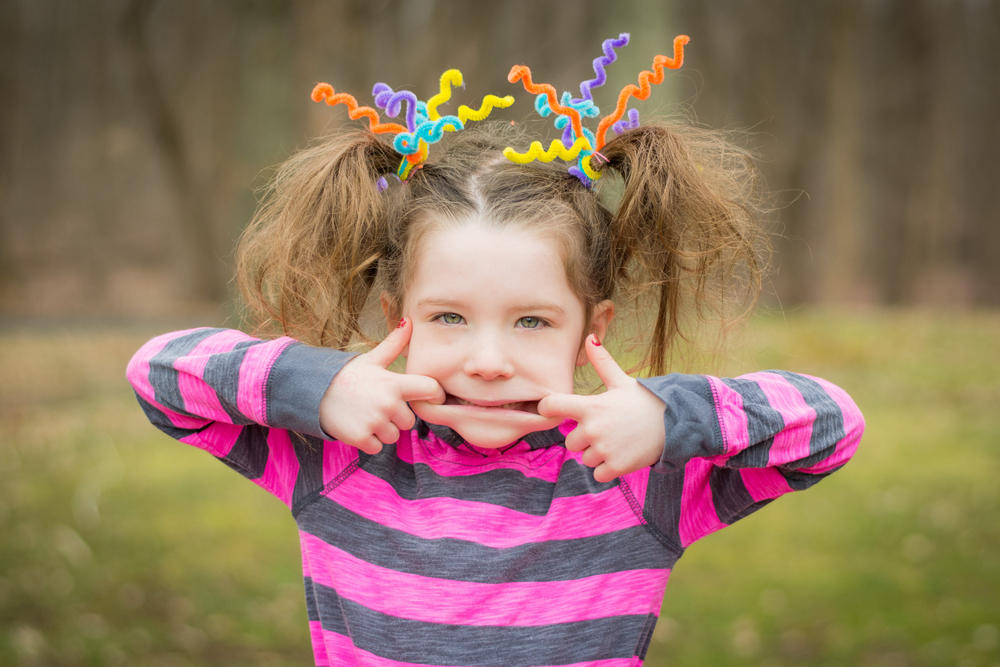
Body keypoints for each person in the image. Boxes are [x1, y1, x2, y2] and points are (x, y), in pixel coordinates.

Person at [127, 36, 864, 667]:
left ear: (590, 329)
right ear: (396, 316)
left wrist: (669, 418)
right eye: (449, 316)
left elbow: (832, 427)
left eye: (532, 322)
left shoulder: (630, 471)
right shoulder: (344, 453)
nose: (486, 359)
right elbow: (159, 375)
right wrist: (318, 386)